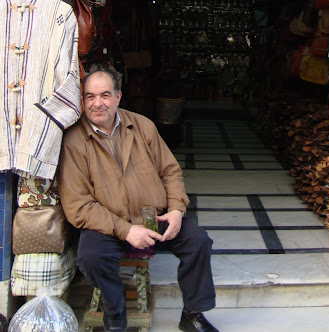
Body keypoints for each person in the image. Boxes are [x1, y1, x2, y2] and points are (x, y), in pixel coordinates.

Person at [58, 64, 219, 332]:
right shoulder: (75, 141)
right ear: (82, 100)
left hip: (152, 217)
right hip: (109, 225)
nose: (98, 103)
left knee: (198, 241)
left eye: (105, 95)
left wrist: (177, 210)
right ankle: (115, 313)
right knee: (90, 256)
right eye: (90, 96)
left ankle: (193, 314)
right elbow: (79, 205)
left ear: (118, 97)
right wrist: (126, 230)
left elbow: (170, 171)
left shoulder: (141, 126)